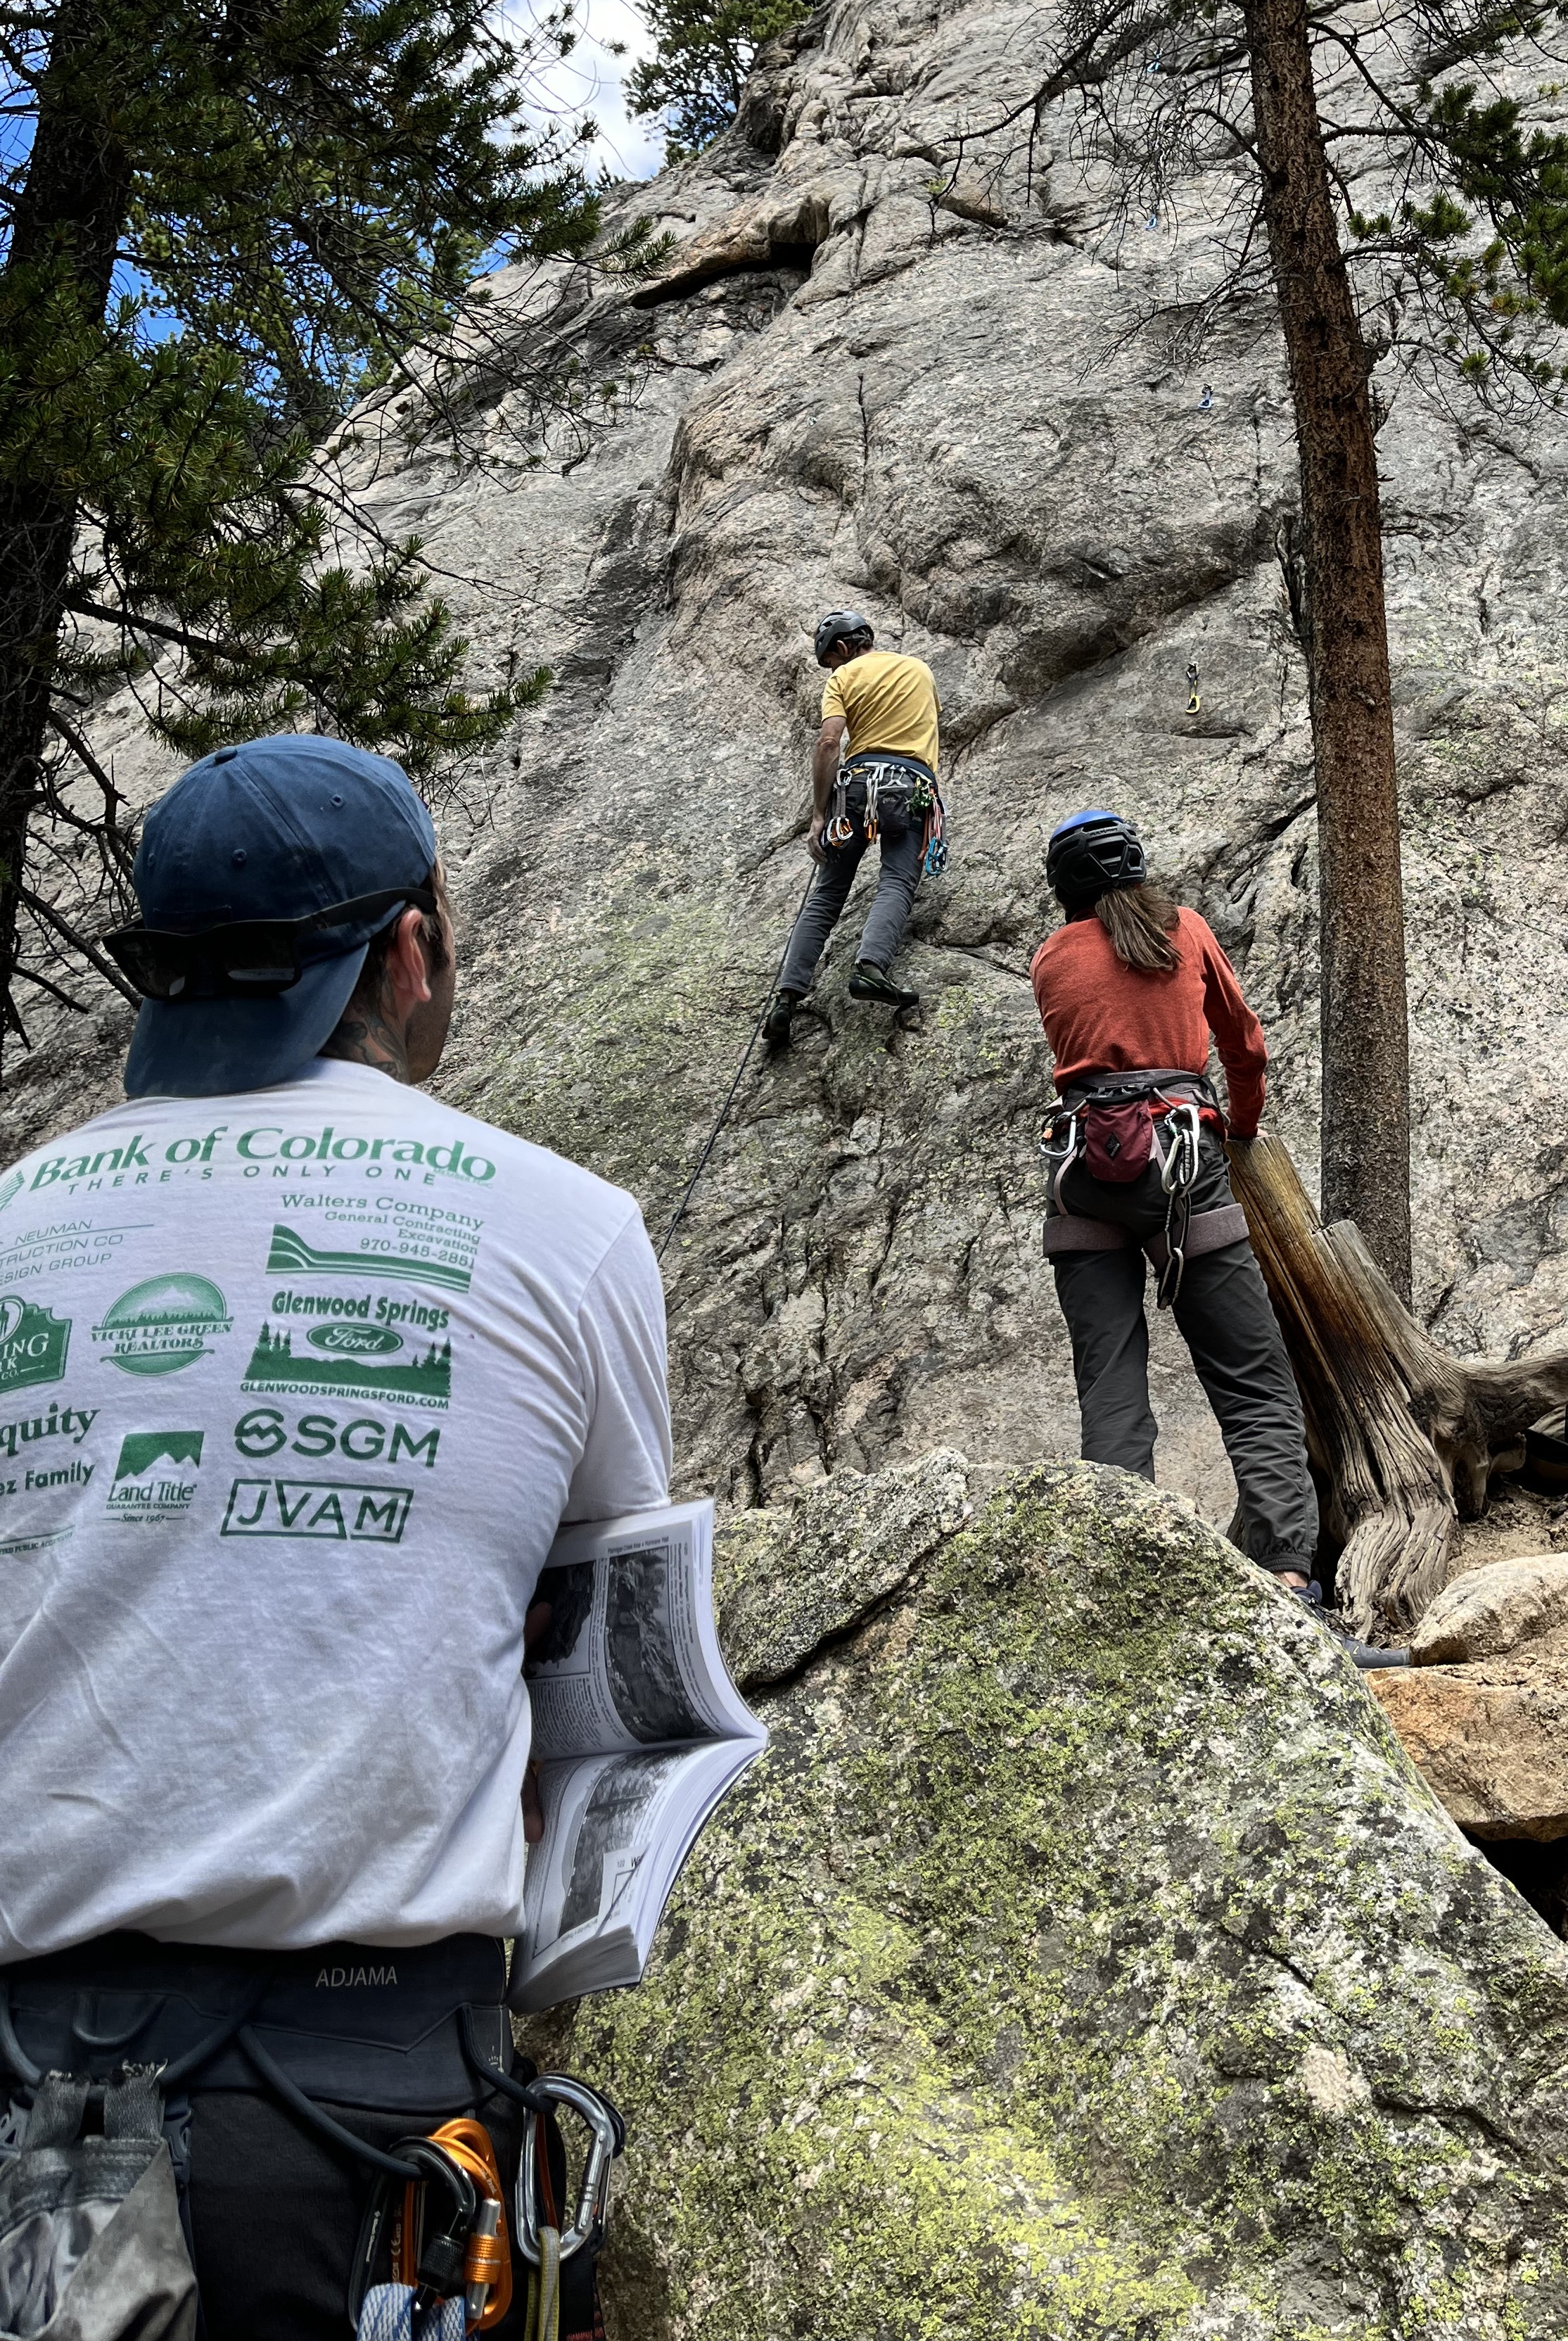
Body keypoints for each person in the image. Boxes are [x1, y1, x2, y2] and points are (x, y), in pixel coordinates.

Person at [0, 732, 670, 2340]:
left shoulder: (16, 1223)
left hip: (48, 2102)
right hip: (374, 2118)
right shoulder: (566, 1234)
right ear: (411, 950)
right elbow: (605, 1656)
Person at [1030, 810, 1407, 1668]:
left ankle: (1122, 1593)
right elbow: (1243, 1044)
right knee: (1251, 1379)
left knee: (1111, 1389)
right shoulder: (1185, 929)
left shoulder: (1051, 957)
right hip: (1185, 1158)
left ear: (1064, 889)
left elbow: (1092, 1042)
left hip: (1084, 1169)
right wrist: (1241, 1127)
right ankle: (1287, 1587)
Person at [764, 609, 943, 1048]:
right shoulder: (919, 669)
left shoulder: (843, 679)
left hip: (857, 790)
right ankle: (871, 968)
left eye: (830, 660)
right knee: (898, 880)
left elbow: (830, 742)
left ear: (842, 648)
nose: (832, 669)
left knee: (826, 894)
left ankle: (787, 997)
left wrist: (819, 814)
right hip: (910, 785)